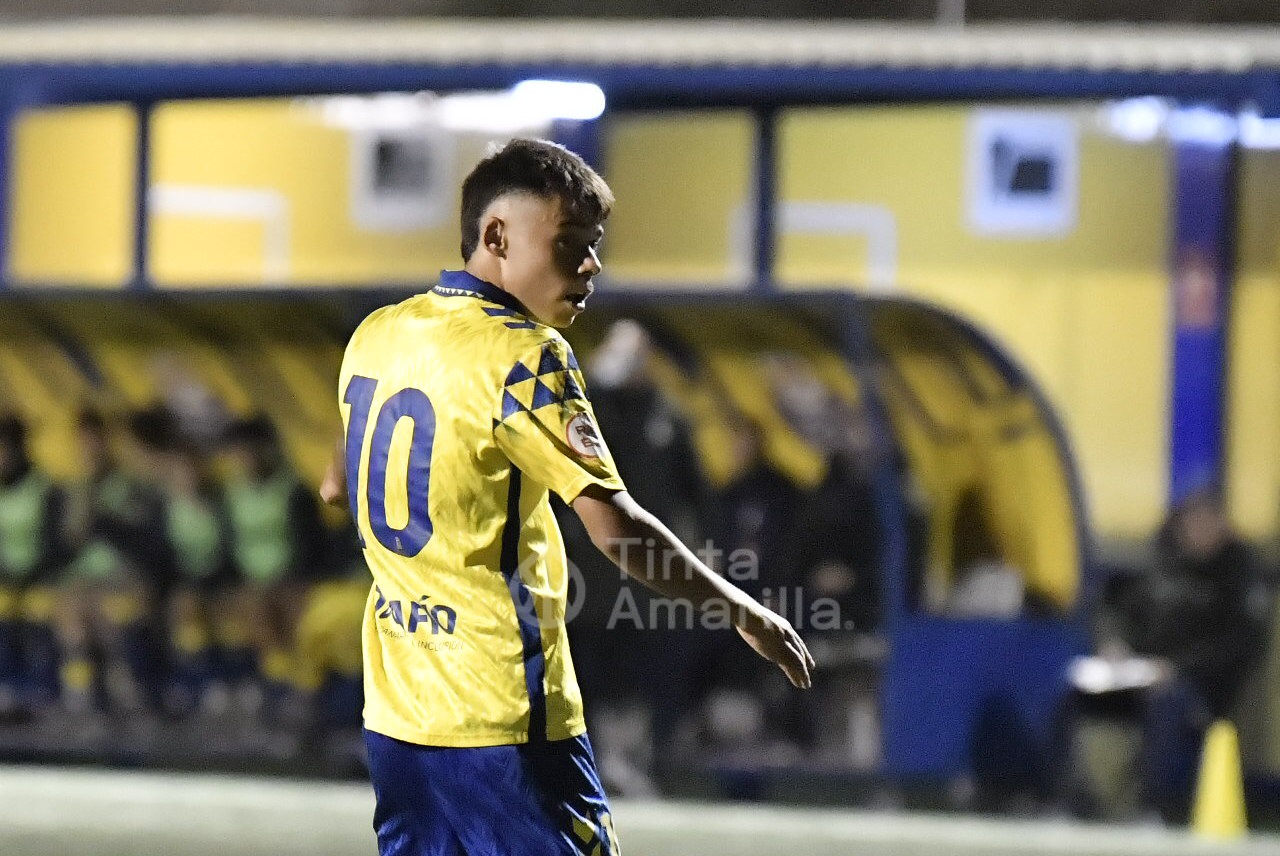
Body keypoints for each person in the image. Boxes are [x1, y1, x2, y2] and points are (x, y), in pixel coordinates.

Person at [321, 138, 813, 856]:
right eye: (570, 243)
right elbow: (617, 531)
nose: (590, 266)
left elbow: (336, 485)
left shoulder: (379, 334)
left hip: (398, 718)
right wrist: (741, 608)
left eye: (595, 246)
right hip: (504, 714)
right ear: (496, 235)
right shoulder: (525, 354)